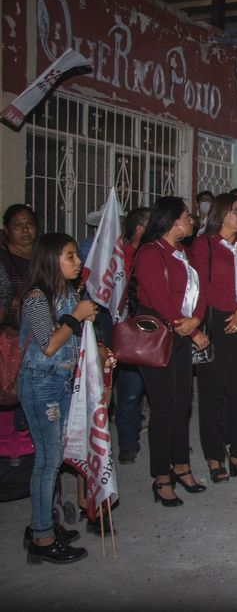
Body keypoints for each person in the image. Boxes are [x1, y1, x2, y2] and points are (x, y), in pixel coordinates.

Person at [18, 233, 97, 564]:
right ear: (51, 260)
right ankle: (42, 537)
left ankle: (43, 523)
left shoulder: (68, 294)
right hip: (40, 383)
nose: (78, 262)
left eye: (76, 256)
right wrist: (76, 317)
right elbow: (47, 345)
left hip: (62, 382)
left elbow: (72, 344)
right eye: (70, 256)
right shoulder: (37, 298)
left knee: (56, 456)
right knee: (48, 461)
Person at [133, 196, 209, 505]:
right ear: (173, 222)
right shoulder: (151, 254)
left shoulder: (185, 253)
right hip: (159, 335)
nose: (192, 221)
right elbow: (158, 298)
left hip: (182, 333)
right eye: (187, 216)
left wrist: (196, 319)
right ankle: (161, 476)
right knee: (163, 408)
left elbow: (199, 290)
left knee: (182, 404)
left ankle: (181, 465)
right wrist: (191, 329)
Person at [191, 194, 237, 482]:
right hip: (218, 323)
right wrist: (233, 312)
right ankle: (214, 455)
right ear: (220, 214)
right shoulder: (204, 245)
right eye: (236, 211)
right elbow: (202, 284)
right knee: (213, 394)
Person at [114, 206, 150, 465]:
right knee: (130, 391)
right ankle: (128, 442)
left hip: (158, 328)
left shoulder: (159, 253)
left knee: (164, 393)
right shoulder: (120, 256)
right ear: (139, 227)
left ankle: (170, 440)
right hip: (131, 327)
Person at [0, 204, 39, 327]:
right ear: (7, 230)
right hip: (11, 330)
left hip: (45, 326)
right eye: (18, 226)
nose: (25, 229)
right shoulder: (3, 257)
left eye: (29, 224)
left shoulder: (46, 254)